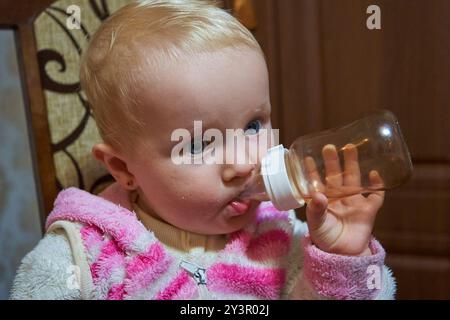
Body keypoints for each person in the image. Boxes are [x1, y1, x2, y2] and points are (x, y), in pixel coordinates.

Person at [10, 0, 395, 300]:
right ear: (123, 168)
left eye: (253, 125)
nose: (244, 164)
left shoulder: (282, 237)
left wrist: (343, 260)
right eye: (198, 144)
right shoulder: (82, 258)